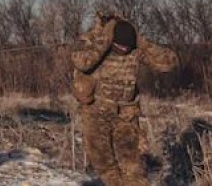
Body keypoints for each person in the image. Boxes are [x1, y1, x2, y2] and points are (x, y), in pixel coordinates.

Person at [71, 13, 178, 186]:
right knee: (102, 161)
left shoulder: (135, 45)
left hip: (126, 114)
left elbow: (169, 62)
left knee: (132, 165)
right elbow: (82, 62)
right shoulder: (92, 40)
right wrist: (103, 42)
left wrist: (142, 43)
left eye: (127, 47)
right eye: (119, 46)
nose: (124, 51)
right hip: (95, 111)